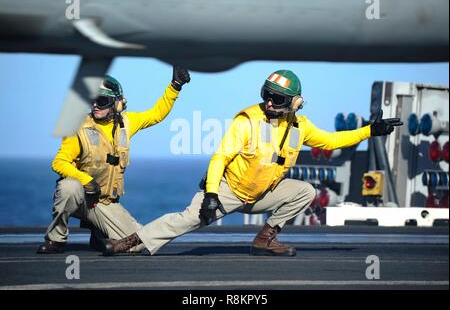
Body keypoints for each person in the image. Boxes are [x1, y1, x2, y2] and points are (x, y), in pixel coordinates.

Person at [102, 70, 402, 257]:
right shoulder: (247, 120)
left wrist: (370, 131)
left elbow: (331, 141)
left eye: (278, 99)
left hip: (263, 194)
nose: (270, 103)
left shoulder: (300, 126)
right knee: (185, 220)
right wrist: (210, 194)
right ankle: (128, 243)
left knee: (305, 191)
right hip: (228, 190)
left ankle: (264, 240)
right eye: (267, 96)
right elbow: (220, 157)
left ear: (295, 103)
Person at [36, 66, 191, 254]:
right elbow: (59, 162)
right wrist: (85, 180)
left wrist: (175, 86)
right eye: (92, 100)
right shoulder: (77, 127)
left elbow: (156, 114)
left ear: (116, 104)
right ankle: (56, 240)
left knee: (137, 243)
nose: (95, 106)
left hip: (104, 202)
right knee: (68, 187)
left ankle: (98, 231)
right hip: (81, 197)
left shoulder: (127, 123)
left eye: (101, 101)